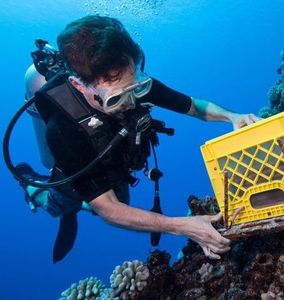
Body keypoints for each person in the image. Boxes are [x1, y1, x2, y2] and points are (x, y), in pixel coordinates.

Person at [21, 15, 259, 262]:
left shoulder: (131, 80)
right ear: (80, 87)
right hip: (73, 169)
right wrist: (184, 226)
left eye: (137, 88)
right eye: (116, 99)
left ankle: (88, 199)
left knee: (122, 200)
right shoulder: (62, 130)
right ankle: (32, 188)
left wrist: (232, 116)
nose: (130, 102)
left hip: (114, 165)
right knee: (59, 205)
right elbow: (110, 210)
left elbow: (194, 107)